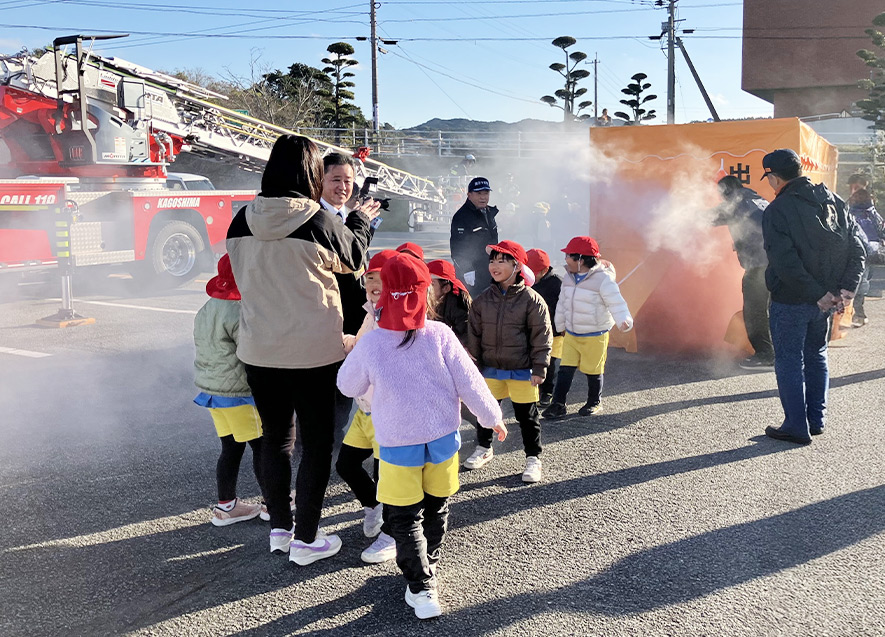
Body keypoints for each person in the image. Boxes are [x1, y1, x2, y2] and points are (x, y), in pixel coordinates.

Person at [226, 134, 380, 564]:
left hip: (258, 351)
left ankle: (280, 528)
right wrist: (362, 220)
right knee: (315, 445)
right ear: (311, 174)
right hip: (314, 353)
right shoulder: (315, 220)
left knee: (275, 440)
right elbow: (354, 258)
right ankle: (307, 538)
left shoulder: (240, 220)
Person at [337, 253, 506, 620]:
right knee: (436, 506)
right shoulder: (441, 335)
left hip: (398, 445)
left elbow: (347, 384)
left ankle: (421, 584)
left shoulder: (373, 342)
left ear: (384, 295)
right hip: (443, 440)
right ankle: (428, 568)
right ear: (426, 295)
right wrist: (492, 416)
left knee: (403, 516)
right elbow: (470, 382)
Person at [760, 149, 865, 445]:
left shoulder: (777, 210)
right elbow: (857, 247)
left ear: (774, 176)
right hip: (828, 300)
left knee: (790, 360)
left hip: (793, 300)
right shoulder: (835, 199)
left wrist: (818, 294)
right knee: (817, 356)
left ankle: (796, 426)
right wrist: (846, 289)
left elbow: (785, 262)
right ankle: (815, 420)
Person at [465, 240, 552, 483]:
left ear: (517, 266)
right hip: (491, 368)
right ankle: (484, 448)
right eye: (492, 260)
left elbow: (542, 336)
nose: (494, 265)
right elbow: (474, 334)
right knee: (486, 412)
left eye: (502, 260)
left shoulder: (532, 300)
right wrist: (475, 364)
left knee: (527, 416)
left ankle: (533, 458)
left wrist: (539, 367)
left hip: (523, 370)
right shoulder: (482, 300)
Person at [336, 249, 399, 564]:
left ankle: (393, 534)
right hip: (365, 409)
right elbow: (364, 348)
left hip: (385, 413)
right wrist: (349, 342)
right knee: (345, 465)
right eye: (370, 277)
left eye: (381, 278)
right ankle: (373, 507)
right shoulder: (371, 311)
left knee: (386, 477)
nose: (374, 283)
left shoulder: (396, 317)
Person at [193, 254, 265, 527]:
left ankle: (226, 506)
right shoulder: (239, 311)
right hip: (238, 394)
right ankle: (273, 503)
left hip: (212, 392)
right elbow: (250, 354)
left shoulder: (206, 308)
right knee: (262, 446)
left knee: (230, 449)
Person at [541, 237, 633, 420]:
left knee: (593, 370)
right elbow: (562, 304)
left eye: (568, 255)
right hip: (572, 335)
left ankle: (593, 402)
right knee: (565, 369)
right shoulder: (568, 277)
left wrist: (624, 321)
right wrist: (560, 326)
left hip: (595, 335)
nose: (565, 258)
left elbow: (616, 303)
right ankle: (558, 404)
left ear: (580, 259)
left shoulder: (603, 280)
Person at [714, 175, 775, 370]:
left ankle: (765, 355)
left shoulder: (737, 203)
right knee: (774, 310)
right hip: (776, 263)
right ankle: (779, 352)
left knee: (755, 311)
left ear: (725, 191)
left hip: (759, 265)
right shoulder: (758, 200)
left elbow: (709, 217)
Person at [450, 177, 499, 297]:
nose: (483, 197)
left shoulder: (489, 213)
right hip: (472, 275)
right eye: (478, 193)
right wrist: (467, 270)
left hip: (489, 270)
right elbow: (457, 247)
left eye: (486, 193)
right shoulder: (461, 217)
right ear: (469, 195)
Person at [526, 248, 563, 408]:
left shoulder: (557, 283)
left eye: (534, 273)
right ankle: (532, 391)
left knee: (550, 362)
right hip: (533, 330)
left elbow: (565, 306)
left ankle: (547, 392)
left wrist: (563, 326)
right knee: (532, 360)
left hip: (554, 331)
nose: (531, 277)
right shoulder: (526, 282)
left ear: (545, 270)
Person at [847, 189, 884, 327]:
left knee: (860, 281)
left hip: (860, 251)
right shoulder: (871, 213)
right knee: (861, 281)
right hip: (866, 252)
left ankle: (856, 313)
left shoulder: (853, 212)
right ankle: (858, 313)